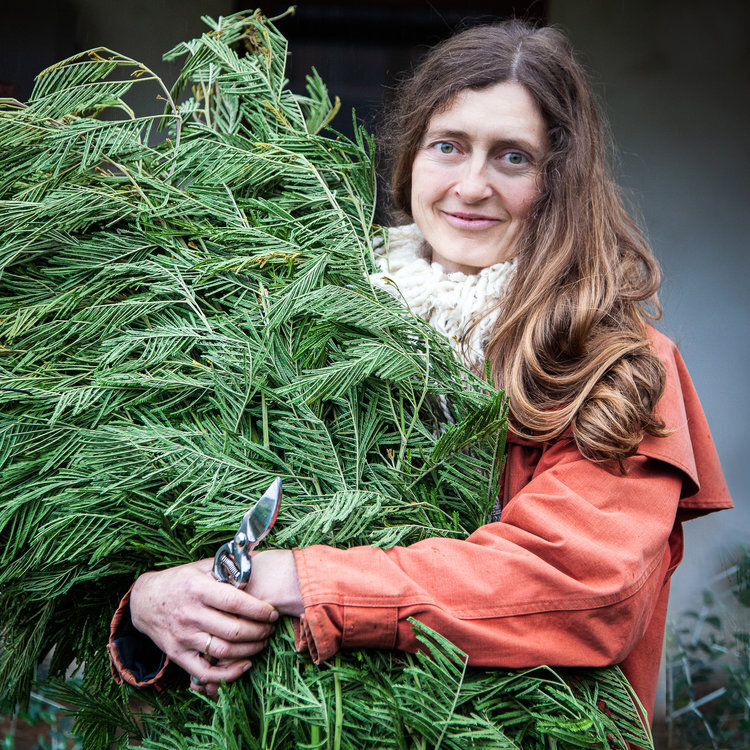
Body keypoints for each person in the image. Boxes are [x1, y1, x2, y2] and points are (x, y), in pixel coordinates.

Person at [108, 20, 732, 725]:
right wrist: (149, 602)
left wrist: (301, 579)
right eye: (449, 146)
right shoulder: (303, 330)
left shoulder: (616, 364)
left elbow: (578, 586)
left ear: (559, 179)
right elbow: (176, 539)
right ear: (410, 158)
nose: (472, 185)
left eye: (513, 158)